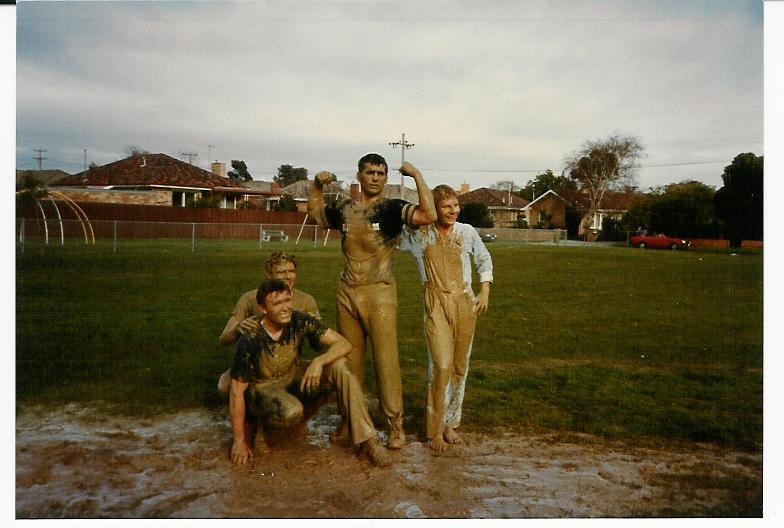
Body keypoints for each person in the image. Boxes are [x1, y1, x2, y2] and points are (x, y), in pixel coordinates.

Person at [307, 153, 436, 449]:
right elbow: (316, 215)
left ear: (386, 178)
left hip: (379, 293)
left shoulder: (391, 208)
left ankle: (394, 425)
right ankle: (349, 421)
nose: (375, 177)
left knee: (385, 361)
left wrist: (416, 174)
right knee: (349, 363)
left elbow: (428, 215)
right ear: (359, 176)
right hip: (348, 292)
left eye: (380, 173)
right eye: (370, 172)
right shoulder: (344, 207)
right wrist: (316, 185)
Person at [228, 279, 391, 467]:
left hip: (291, 377)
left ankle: (369, 440)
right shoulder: (252, 336)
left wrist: (319, 361)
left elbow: (344, 343)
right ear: (263, 308)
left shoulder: (298, 319)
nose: (285, 308)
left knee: (339, 366)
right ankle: (263, 432)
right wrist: (239, 442)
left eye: (287, 300)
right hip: (265, 388)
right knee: (291, 411)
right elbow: (236, 391)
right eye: (277, 303)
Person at [399, 184, 493, 452]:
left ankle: (451, 422)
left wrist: (484, 291)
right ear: (434, 210)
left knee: (459, 367)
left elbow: (483, 260)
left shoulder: (466, 232)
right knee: (440, 367)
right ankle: (434, 429)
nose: (453, 211)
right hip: (435, 302)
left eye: (455, 205)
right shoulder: (419, 235)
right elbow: (390, 235)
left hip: (464, 302)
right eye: (446, 206)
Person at [218, 251, 319, 395]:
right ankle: (248, 409)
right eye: (281, 272)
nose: (288, 276)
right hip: (254, 366)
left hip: (289, 365)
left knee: (319, 381)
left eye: (291, 271)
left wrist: (313, 326)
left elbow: (318, 346)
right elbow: (223, 340)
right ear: (269, 274)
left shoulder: (306, 300)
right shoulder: (250, 298)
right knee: (224, 385)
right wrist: (237, 330)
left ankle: (301, 413)